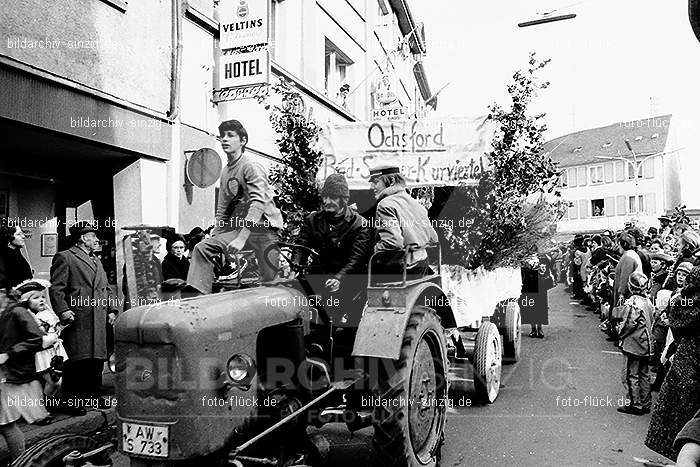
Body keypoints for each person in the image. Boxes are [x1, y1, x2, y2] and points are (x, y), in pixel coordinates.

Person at [187, 120, 283, 293]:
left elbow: (258, 203)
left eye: (230, 136)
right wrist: (216, 234)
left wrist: (241, 238)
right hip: (240, 230)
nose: (224, 139)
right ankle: (198, 297)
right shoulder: (225, 171)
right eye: (222, 135)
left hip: (264, 229)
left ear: (243, 141)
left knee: (270, 283)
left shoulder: (251, 166)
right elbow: (223, 208)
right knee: (203, 248)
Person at [49, 221, 117, 412]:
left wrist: (112, 309)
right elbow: (56, 288)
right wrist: (63, 310)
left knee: (96, 359)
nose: (96, 240)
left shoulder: (96, 259)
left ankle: (93, 396)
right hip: (80, 318)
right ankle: (74, 400)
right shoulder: (66, 257)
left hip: (99, 316)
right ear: (83, 238)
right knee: (78, 359)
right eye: (93, 236)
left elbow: (106, 288)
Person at [292, 173, 372, 324]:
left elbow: (356, 259)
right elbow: (301, 246)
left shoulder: (359, 224)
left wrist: (339, 278)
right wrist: (294, 265)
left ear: (343, 199)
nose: (326, 201)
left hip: (349, 279)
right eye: (325, 197)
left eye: (332, 197)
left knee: (337, 315)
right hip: (319, 274)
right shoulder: (313, 220)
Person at [646, 265, 700, 461]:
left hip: (691, 364)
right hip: (690, 361)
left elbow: (677, 310)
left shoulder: (691, 299)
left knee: (683, 424)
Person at [0, 285, 55, 427]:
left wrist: (10, 354)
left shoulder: (17, 311)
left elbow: (37, 338)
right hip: (8, 371)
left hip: (17, 368)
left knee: (8, 424)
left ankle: (41, 414)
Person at [368, 165, 438, 277]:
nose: (372, 186)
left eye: (376, 182)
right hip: (422, 264)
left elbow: (393, 243)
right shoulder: (416, 203)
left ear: (391, 181)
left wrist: (374, 249)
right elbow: (433, 239)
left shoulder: (385, 205)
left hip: (403, 269)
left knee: (361, 265)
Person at [14, 280, 68, 398]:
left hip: (53, 351)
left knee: (56, 381)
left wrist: (59, 328)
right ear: (26, 301)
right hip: (40, 353)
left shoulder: (47, 314)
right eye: (36, 298)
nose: (41, 300)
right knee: (54, 381)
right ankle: (46, 402)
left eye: (43, 297)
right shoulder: (29, 318)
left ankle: (47, 401)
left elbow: (55, 328)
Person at [616, 271, 654, 415]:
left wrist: (620, 333)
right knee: (644, 373)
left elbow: (629, 324)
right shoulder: (648, 301)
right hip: (646, 343)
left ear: (631, 287)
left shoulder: (633, 302)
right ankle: (646, 403)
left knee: (631, 374)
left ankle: (634, 404)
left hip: (634, 344)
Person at [520, 254, 555, 338]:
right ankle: (533, 329)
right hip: (531, 292)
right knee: (532, 311)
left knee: (540, 311)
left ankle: (539, 329)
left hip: (541, 294)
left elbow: (549, 284)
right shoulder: (528, 268)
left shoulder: (544, 268)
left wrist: (548, 276)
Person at [0, 225, 33, 292]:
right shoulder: (3, 256)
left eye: (22, 233)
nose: (23, 236)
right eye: (18, 234)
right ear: (9, 237)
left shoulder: (17, 253)